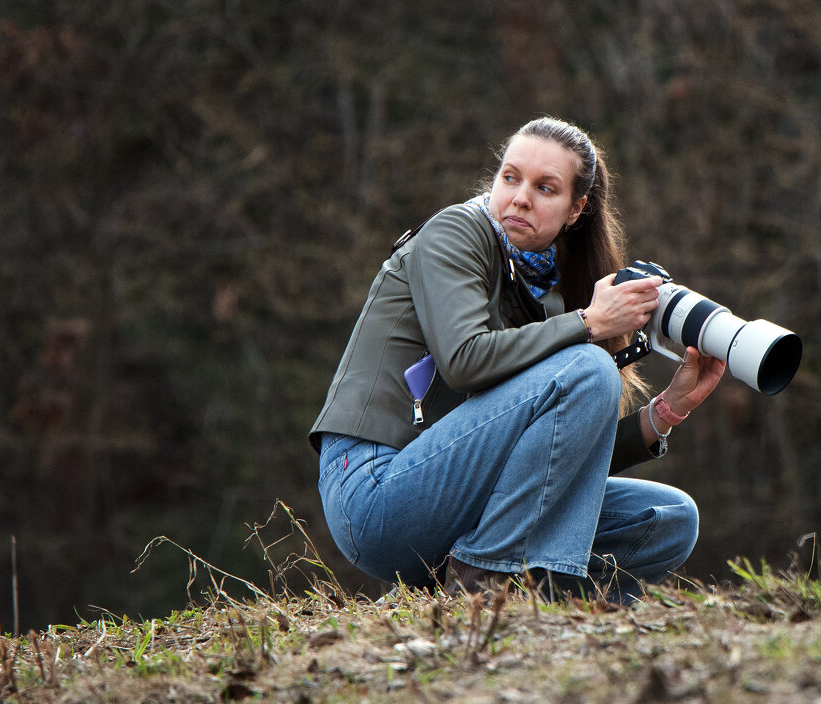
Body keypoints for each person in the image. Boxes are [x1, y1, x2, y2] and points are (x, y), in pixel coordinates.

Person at [308, 116, 727, 603]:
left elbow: (554, 461)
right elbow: (465, 359)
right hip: (376, 492)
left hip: (461, 500)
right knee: (588, 369)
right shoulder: (454, 234)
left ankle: (531, 597)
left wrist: (666, 411)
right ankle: (486, 584)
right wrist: (589, 324)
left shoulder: (543, 298)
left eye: (545, 188)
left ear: (577, 209)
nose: (520, 197)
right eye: (510, 177)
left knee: (668, 519)